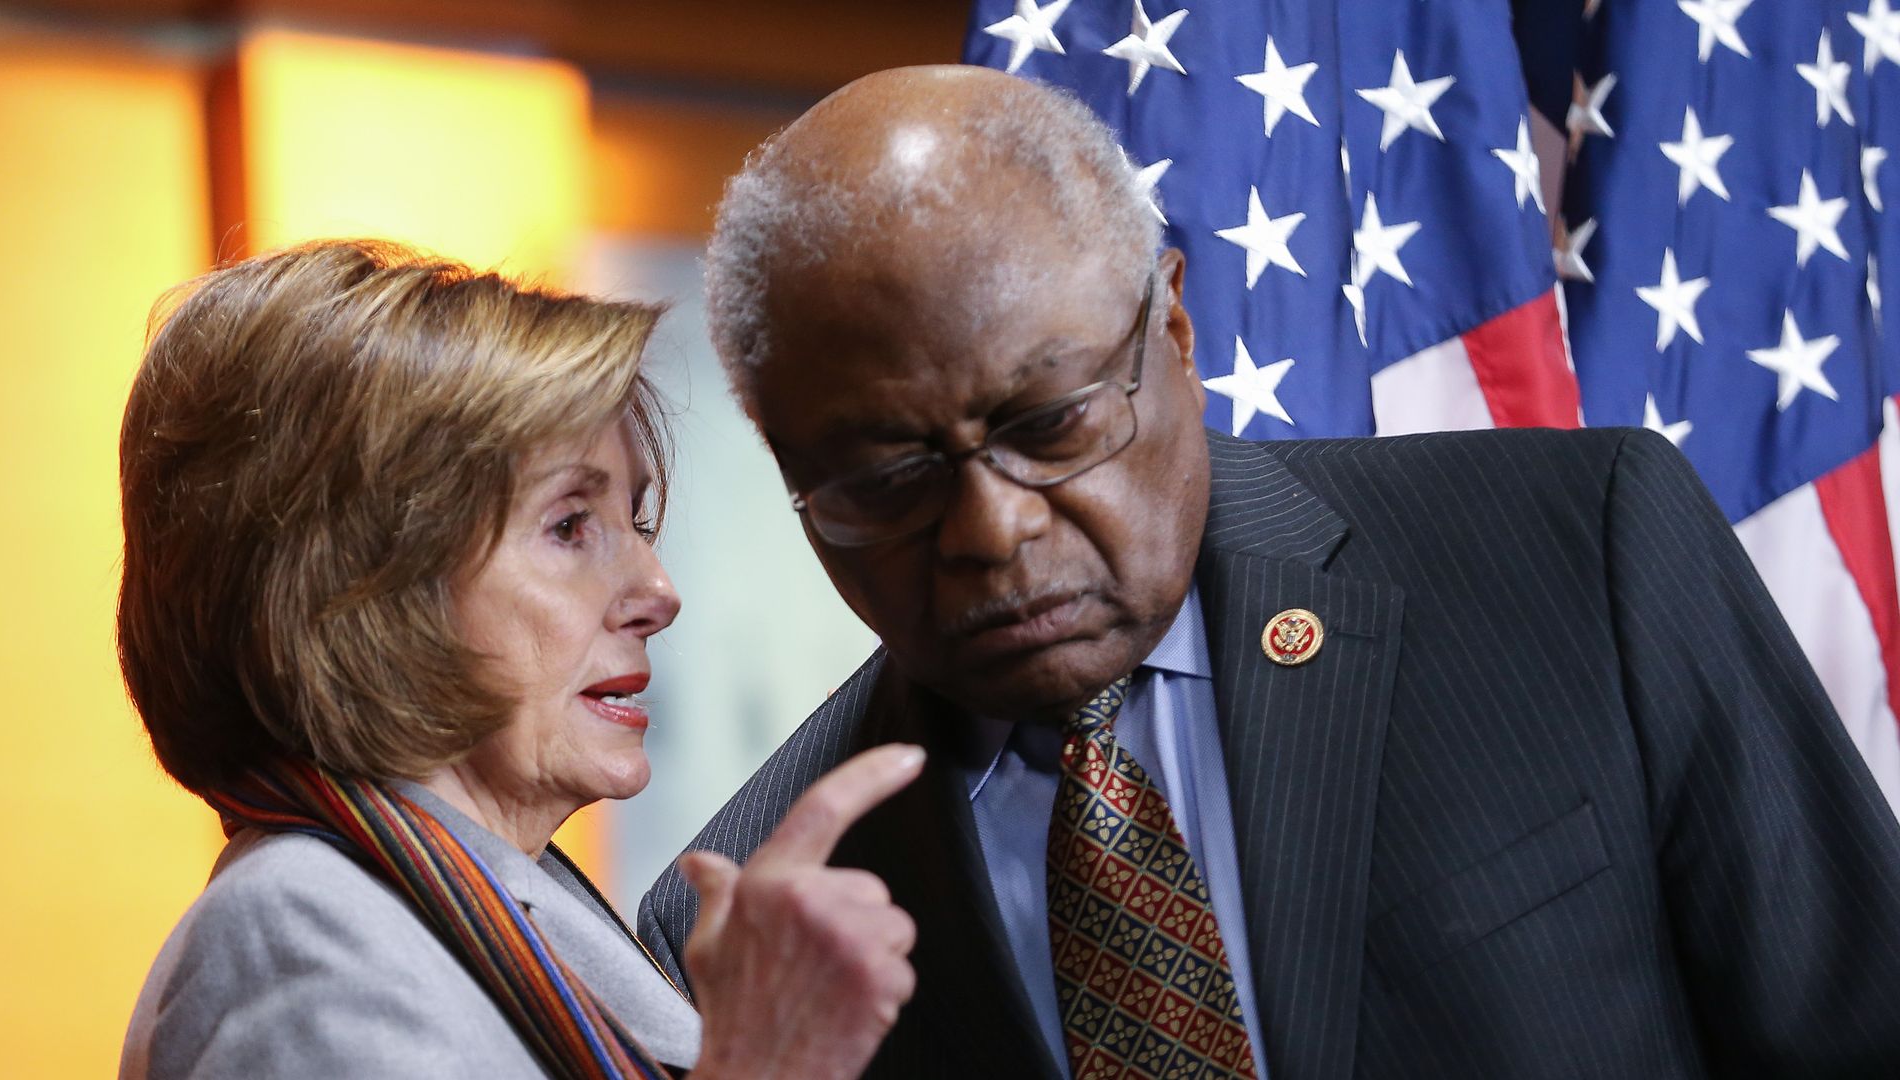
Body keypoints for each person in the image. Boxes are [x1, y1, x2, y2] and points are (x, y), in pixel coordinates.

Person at [637, 64, 1900, 1079]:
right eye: (887, 480)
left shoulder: (1580, 558)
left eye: (1048, 424)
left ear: (1173, 330)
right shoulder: (740, 929)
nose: (990, 532)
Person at [116, 239, 922, 1080]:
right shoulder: (295, 937)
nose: (657, 588)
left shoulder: (488, 900)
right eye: (570, 526)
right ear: (358, 587)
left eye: (637, 520)